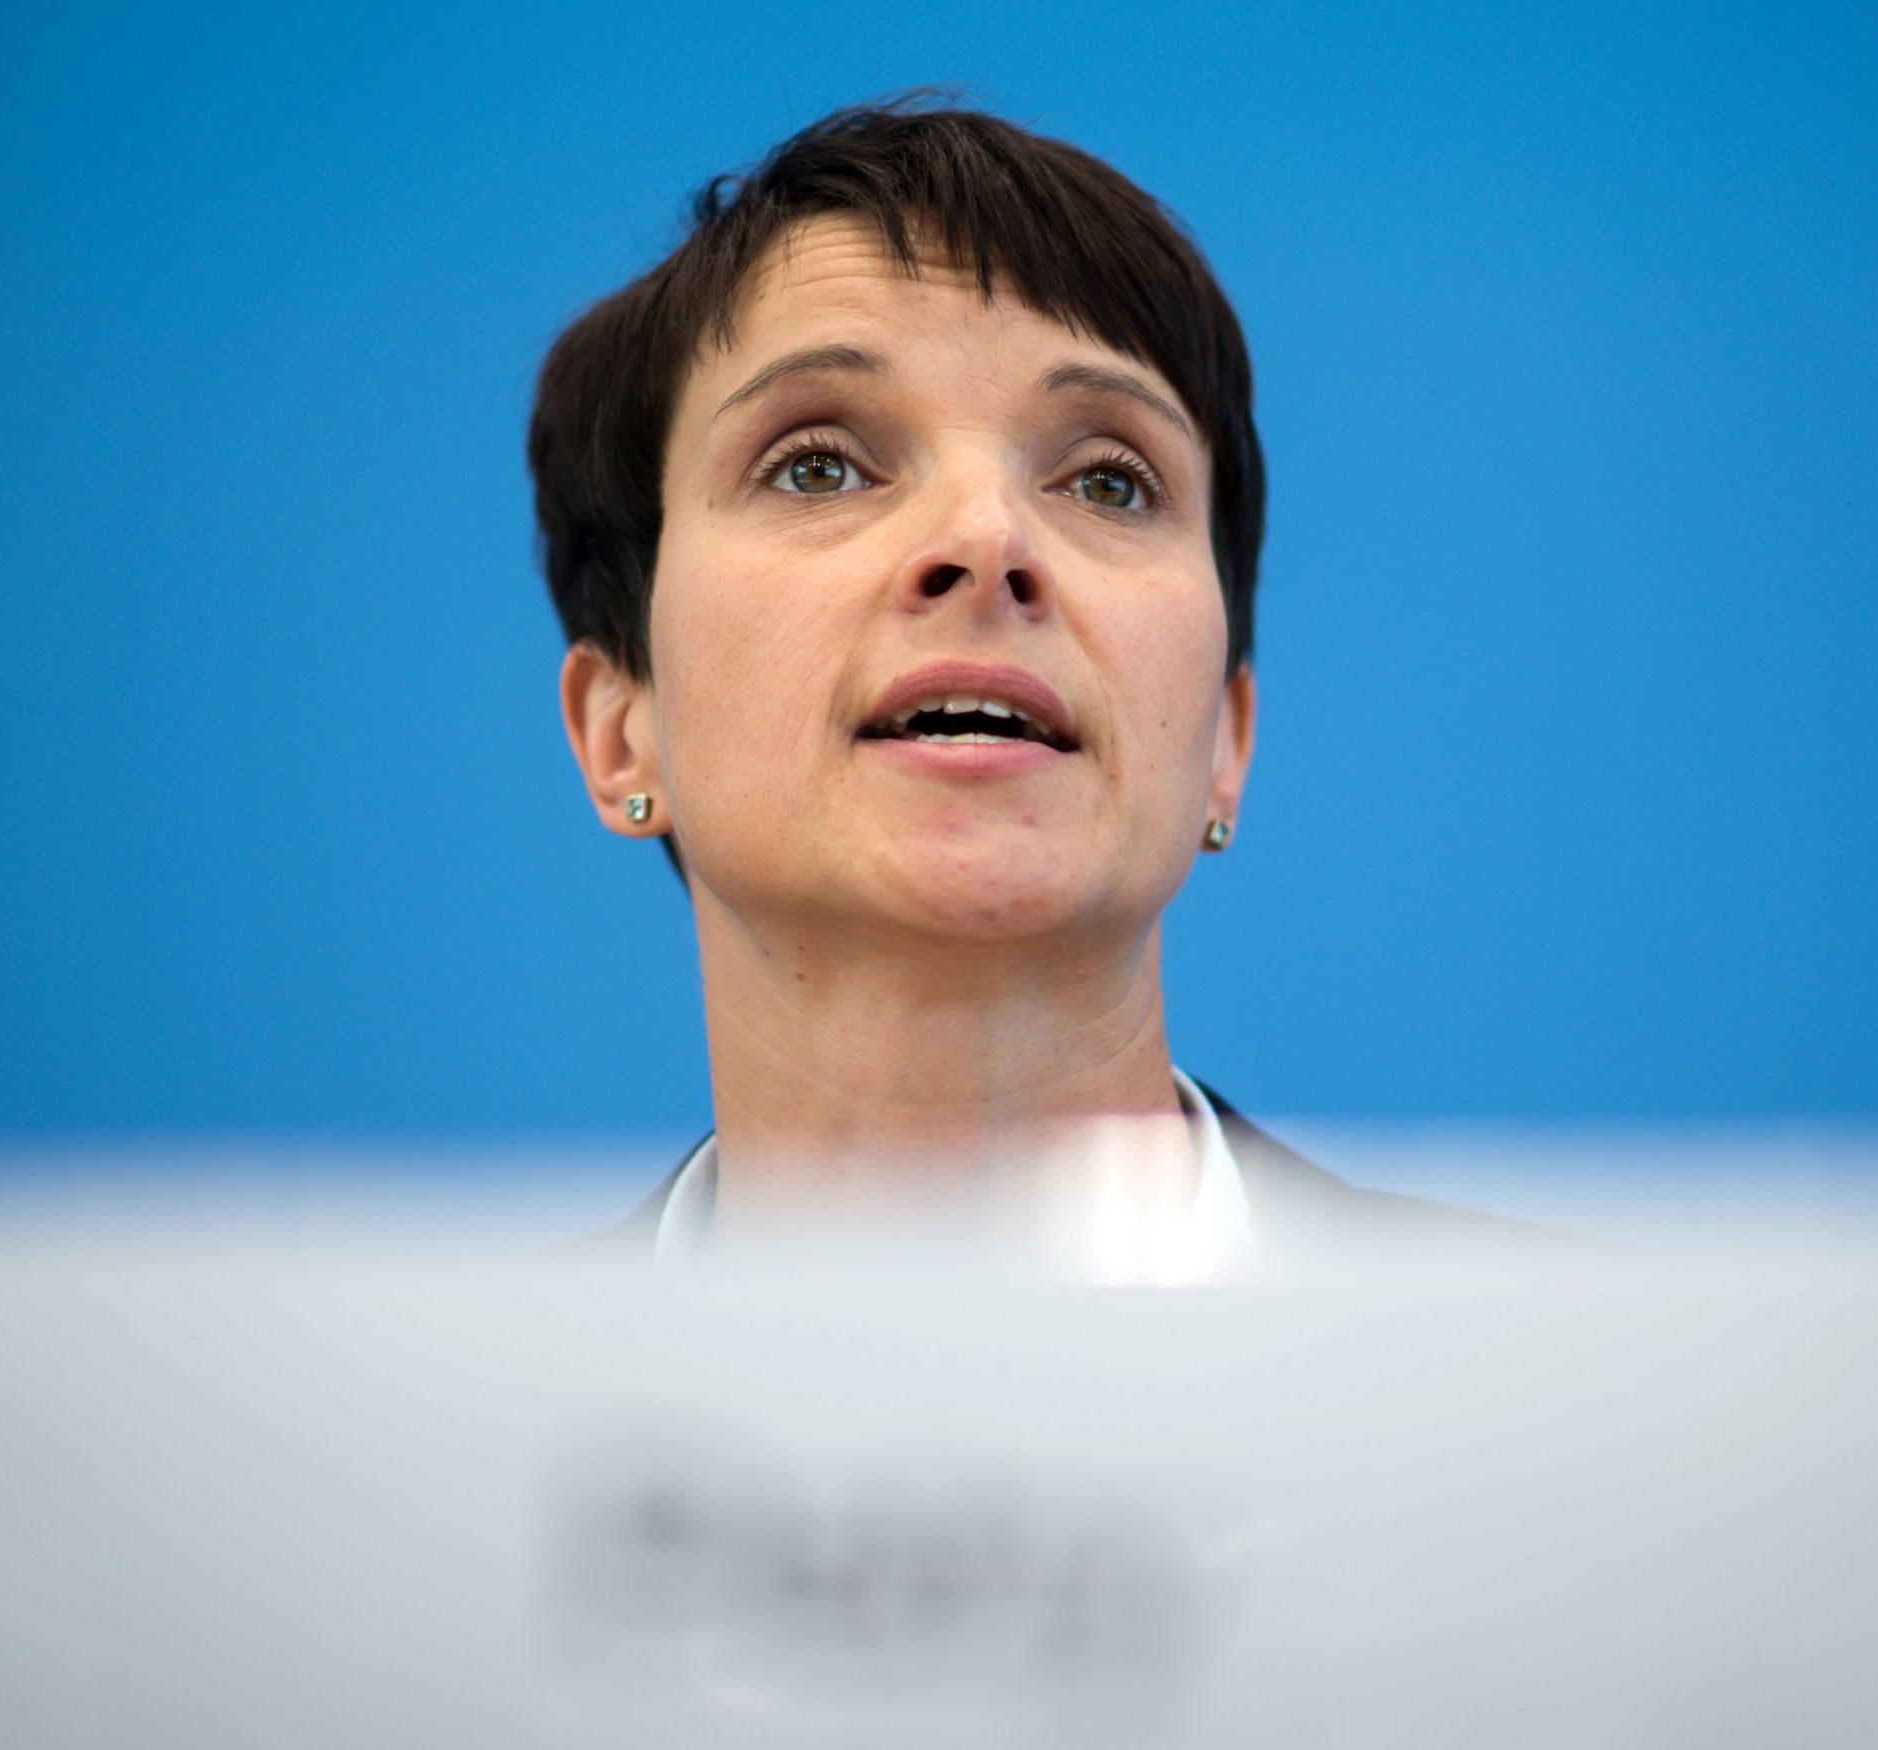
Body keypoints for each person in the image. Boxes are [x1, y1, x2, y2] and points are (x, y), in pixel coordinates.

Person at [530, 99, 1466, 1270]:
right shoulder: (419, 1438)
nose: (986, 538)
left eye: (1107, 483)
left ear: (1224, 744)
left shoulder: (1576, 1388)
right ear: (623, 728)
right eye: (817, 466)